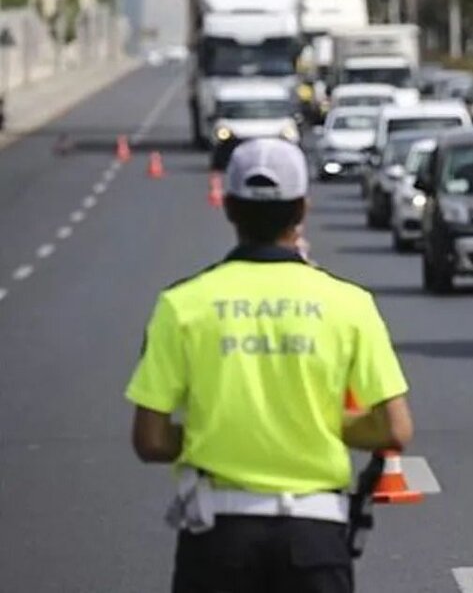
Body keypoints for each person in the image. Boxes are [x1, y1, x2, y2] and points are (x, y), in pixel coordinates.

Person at [125, 138, 414, 593]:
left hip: (217, 538)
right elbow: (394, 429)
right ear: (301, 210)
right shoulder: (350, 304)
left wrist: (221, 431)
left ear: (230, 208)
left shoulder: (181, 306)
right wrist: (311, 422)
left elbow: (150, 439)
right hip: (315, 539)